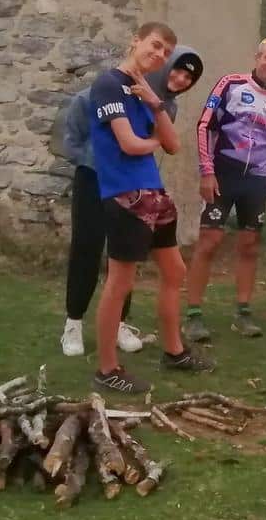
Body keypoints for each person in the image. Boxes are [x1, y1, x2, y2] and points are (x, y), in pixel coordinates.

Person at [89, 21, 213, 393]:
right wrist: (157, 139)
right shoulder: (109, 85)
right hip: (125, 196)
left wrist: (155, 105)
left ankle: (173, 352)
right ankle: (107, 369)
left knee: (174, 270)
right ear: (136, 42)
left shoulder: (145, 92)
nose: (158, 55)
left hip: (154, 194)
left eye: (164, 52)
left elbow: (174, 145)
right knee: (120, 282)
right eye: (154, 46)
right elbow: (129, 144)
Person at [60, 45, 203, 357]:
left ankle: (119, 322)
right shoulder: (101, 92)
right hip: (94, 179)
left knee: (125, 255)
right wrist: (101, 161)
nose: (180, 78)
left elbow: (164, 144)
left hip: (133, 188)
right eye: (178, 69)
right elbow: (71, 138)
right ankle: (73, 322)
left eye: (189, 77)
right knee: (86, 247)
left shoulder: (165, 107)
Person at [183, 37, 266, 341]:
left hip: (256, 180)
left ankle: (243, 313)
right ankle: (193, 315)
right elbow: (205, 125)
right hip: (224, 173)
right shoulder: (230, 85)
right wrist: (207, 171)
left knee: (249, 245)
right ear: (257, 57)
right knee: (209, 241)